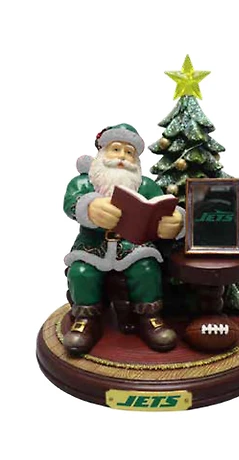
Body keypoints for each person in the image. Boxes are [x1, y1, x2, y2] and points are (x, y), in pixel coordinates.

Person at [63, 123, 185, 355]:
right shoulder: (83, 182)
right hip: (92, 247)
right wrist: (89, 207)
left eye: (129, 152)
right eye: (116, 149)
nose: (122, 157)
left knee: (146, 269)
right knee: (81, 273)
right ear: (101, 152)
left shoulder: (145, 185)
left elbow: (163, 206)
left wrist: (176, 221)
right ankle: (86, 320)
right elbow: (70, 203)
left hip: (134, 247)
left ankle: (149, 318)